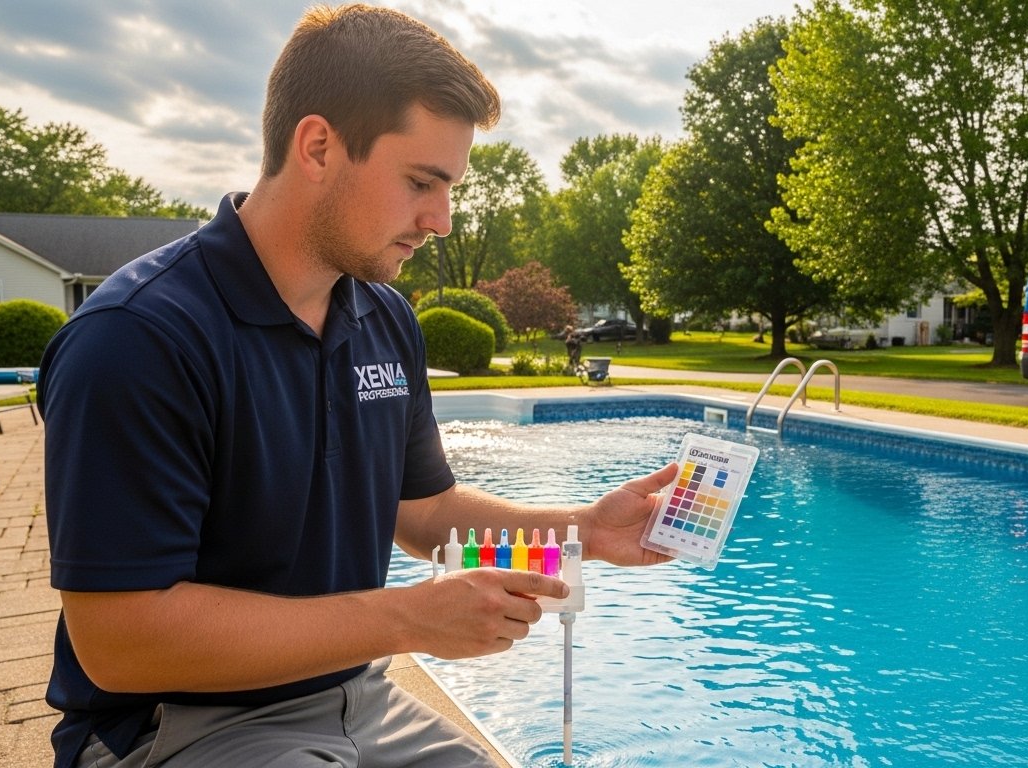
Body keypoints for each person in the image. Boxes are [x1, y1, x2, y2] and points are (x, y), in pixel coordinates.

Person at [36, 5, 676, 767]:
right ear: (317, 147)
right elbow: (120, 645)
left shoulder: (383, 318)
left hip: (355, 701)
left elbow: (426, 512)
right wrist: (405, 620)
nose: (440, 220)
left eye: (449, 189)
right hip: (178, 727)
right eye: (420, 182)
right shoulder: (137, 339)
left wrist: (584, 530)